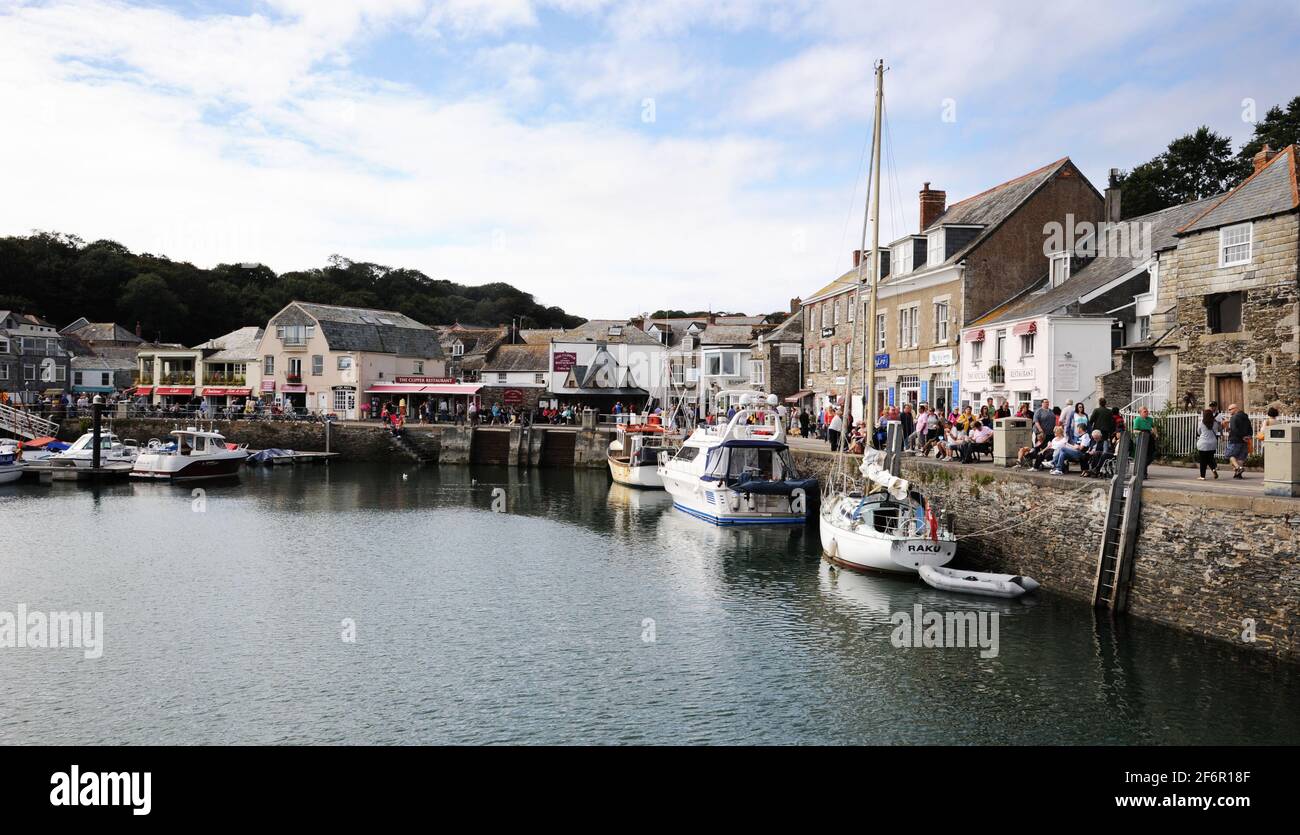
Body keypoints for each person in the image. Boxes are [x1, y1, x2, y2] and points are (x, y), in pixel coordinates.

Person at [1130, 405, 1158, 480]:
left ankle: (1143, 467)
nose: (1147, 412)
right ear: (1140, 413)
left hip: (1149, 436)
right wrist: (1142, 433)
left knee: (1152, 454)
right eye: (1145, 411)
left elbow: (1153, 427)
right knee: (1143, 456)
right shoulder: (1137, 420)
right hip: (1141, 437)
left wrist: (1155, 434)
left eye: (1147, 411)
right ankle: (1143, 474)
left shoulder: (1150, 419)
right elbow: (1134, 430)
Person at [1225, 403, 1252, 479]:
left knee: (1229, 455)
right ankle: (1238, 474)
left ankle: (1238, 468)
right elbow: (1250, 428)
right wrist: (1248, 436)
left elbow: (1234, 430)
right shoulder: (1246, 417)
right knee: (1240, 458)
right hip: (1245, 441)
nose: (1229, 411)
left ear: (1235, 408)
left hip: (1235, 440)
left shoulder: (1234, 417)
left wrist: (1242, 436)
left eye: (1230, 409)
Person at [1195, 408, 1221, 480]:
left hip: (1203, 444)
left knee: (1203, 461)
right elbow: (1217, 431)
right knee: (1210, 458)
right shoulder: (1215, 423)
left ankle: (1202, 476)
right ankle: (1213, 469)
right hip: (1212, 443)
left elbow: (1199, 432)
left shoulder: (1202, 423)